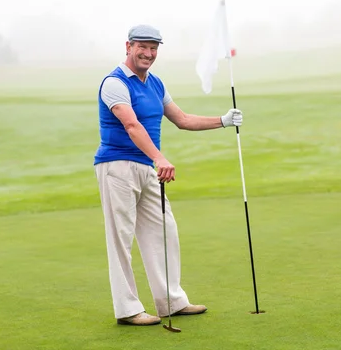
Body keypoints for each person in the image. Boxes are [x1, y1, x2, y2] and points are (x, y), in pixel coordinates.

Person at [94, 24, 243, 326]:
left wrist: (223, 121)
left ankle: (171, 301)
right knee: (121, 238)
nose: (148, 53)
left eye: (154, 48)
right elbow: (132, 125)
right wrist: (159, 157)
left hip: (147, 167)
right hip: (116, 167)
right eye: (143, 47)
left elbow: (183, 119)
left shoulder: (156, 84)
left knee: (164, 230)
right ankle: (128, 309)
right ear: (128, 46)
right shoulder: (115, 82)